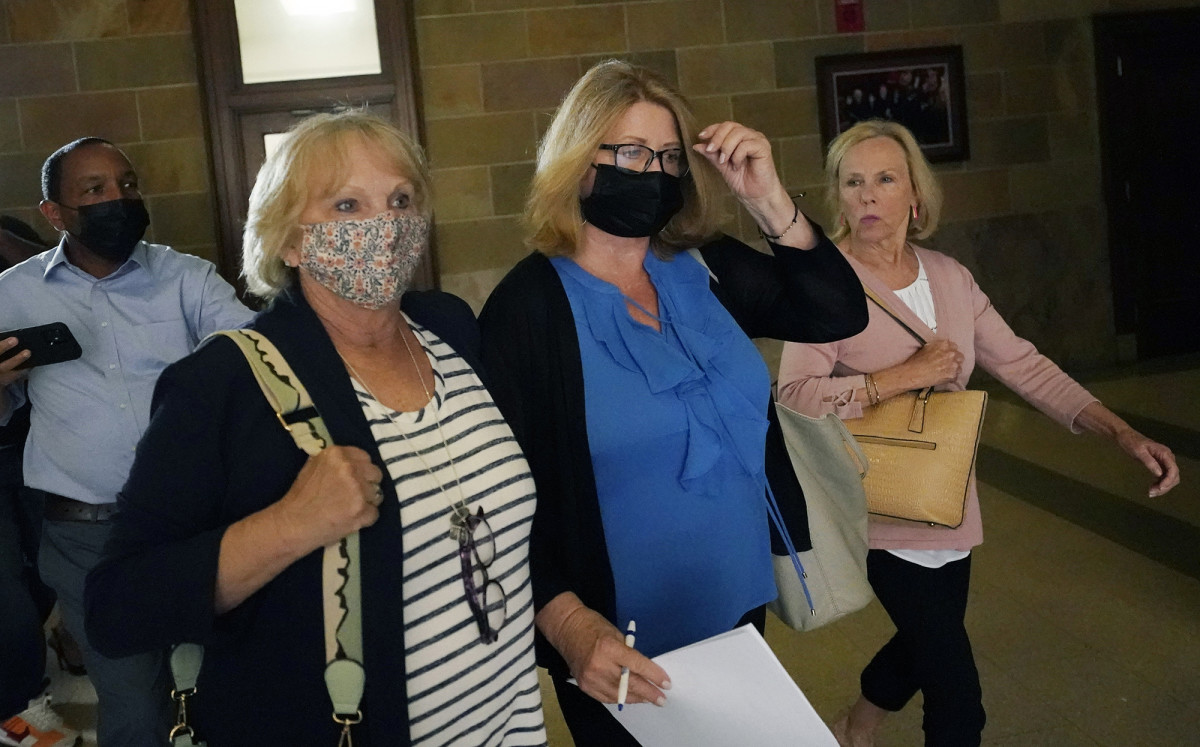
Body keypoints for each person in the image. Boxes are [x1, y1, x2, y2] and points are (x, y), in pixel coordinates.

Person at [84, 111, 548, 746]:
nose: (385, 225)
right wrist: (289, 525)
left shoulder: (450, 327)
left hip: (509, 724)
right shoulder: (223, 384)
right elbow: (117, 606)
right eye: (347, 205)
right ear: (289, 241)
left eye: (401, 200)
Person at [478, 60, 869, 746]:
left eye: (668, 157)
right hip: (613, 636)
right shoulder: (529, 308)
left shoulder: (702, 264)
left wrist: (768, 199)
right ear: (579, 160)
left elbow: (836, 311)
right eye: (631, 153)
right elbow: (497, 499)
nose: (653, 173)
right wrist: (569, 626)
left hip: (736, 605)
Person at [776, 119, 1181, 747]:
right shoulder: (824, 286)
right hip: (877, 506)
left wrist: (1121, 432)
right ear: (838, 196)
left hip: (947, 502)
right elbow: (795, 396)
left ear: (916, 194)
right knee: (957, 695)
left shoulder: (950, 277)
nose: (868, 195)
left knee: (925, 642)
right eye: (852, 182)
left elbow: (1024, 365)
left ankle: (856, 726)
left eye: (885, 179)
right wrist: (900, 378)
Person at [0, 139, 254, 746]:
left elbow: (256, 367)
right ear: (54, 213)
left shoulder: (188, 278)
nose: (118, 199)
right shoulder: (12, 294)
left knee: (222, 692)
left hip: (191, 527)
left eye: (128, 184)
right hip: (85, 536)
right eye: (95, 190)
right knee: (136, 710)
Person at [0, 217, 84, 747]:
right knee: (5, 587)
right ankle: (19, 708)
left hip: (30, 441)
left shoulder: (13, 240)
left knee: (42, 570)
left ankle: (51, 648)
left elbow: (57, 262)